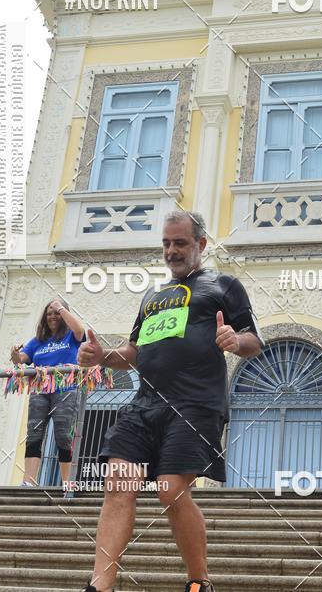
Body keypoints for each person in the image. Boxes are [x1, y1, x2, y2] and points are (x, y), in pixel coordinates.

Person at [78, 209, 263, 592]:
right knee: (118, 481)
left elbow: (253, 341)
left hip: (196, 404)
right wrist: (102, 358)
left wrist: (234, 340)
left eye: (180, 243)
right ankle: (100, 586)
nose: (172, 251)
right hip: (144, 404)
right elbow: (132, 350)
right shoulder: (153, 295)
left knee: (170, 489)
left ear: (201, 244)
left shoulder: (223, 285)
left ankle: (199, 581)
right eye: (166, 243)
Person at [11, 298, 85, 487]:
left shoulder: (71, 337)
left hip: (66, 389)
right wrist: (14, 355)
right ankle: (29, 481)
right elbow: (22, 359)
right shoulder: (37, 341)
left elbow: (80, 330)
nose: (52, 316)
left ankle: (67, 482)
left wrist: (60, 307)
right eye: (49, 313)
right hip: (40, 391)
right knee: (34, 434)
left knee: (63, 435)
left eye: (56, 313)